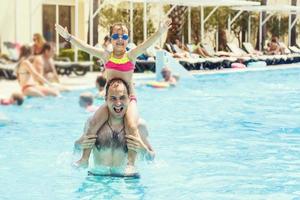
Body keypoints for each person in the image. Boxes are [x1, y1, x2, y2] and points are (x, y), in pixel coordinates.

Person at [56, 18, 171, 175]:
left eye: (124, 37)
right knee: (93, 123)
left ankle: (131, 164)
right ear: (110, 39)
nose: (120, 40)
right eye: (116, 36)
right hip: (111, 101)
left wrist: (160, 32)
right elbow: (85, 47)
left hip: (129, 100)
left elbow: (146, 44)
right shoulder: (106, 56)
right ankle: (84, 159)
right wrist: (68, 37)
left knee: (131, 126)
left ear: (127, 40)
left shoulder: (131, 55)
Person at [74, 78, 155, 176]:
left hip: (126, 183)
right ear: (106, 99)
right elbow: (76, 149)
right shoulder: (94, 124)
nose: (118, 103)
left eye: (122, 98)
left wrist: (143, 149)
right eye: (113, 98)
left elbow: (151, 158)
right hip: (97, 180)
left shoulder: (139, 126)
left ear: (129, 99)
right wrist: (82, 144)